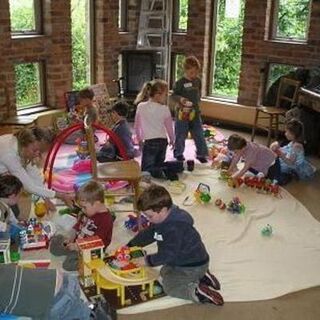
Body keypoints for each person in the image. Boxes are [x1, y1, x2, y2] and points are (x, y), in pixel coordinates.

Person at [126, 185, 224, 305]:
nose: (148, 219)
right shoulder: (162, 219)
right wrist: (131, 245)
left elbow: (168, 255)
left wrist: (147, 260)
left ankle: (197, 292)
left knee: (169, 286)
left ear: (163, 210)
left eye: (149, 216)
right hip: (187, 260)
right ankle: (202, 276)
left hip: (191, 265)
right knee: (164, 272)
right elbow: (150, 233)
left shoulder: (174, 228)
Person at [0, 127, 72, 218]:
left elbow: (35, 175)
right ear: (25, 144)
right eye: (35, 150)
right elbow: (29, 186)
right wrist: (60, 195)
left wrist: (46, 199)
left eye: (40, 152)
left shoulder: (23, 146)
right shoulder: (9, 154)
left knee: (14, 212)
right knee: (6, 214)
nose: (37, 154)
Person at [0, 264, 116, 320]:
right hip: (66, 280)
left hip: (57, 303)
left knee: (70, 312)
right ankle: (93, 307)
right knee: (75, 305)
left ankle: (93, 315)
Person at [50, 180, 114, 271]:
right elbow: (78, 226)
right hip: (77, 242)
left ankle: (94, 262)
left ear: (97, 203)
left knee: (67, 265)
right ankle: (72, 251)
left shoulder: (106, 220)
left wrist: (77, 247)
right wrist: (71, 237)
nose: (82, 210)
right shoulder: (88, 212)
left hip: (91, 250)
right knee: (57, 242)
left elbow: (97, 242)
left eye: (84, 207)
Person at [134, 79, 176, 179]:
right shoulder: (165, 109)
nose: (166, 97)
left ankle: (164, 172)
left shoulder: (141, 106)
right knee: (158, 164)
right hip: (163, 141)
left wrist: (139, 140)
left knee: (146, 169)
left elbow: (136, 126)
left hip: (150, 142)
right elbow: (169, 127)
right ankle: (164, 170)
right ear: (157, 95)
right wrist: (172, 139)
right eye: (165, 95)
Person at [171, 55, 208, 163]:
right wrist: (181, 99)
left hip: (195, 112)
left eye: (196, 72)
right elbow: (174, 95)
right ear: (186, 70)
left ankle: (201, 154)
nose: (194, 75)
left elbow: (198, 94)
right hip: (182, 113)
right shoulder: (180, 83)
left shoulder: (197, 81)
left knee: (199, 133)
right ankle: (178, 153)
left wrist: (197, 102)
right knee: (181, 134)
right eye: (191, 73)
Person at [270, 119, 316, 184]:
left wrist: (280, 154)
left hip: (294, 166)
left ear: (293, 133)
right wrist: (277, 147)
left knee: (277, 165)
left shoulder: (297, 146)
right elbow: (285, 149)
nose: (285, 133)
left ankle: (287, 175)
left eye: (286, 132)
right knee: (274, 160)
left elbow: (290, 162)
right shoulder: (292, 142)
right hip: (289, 161)